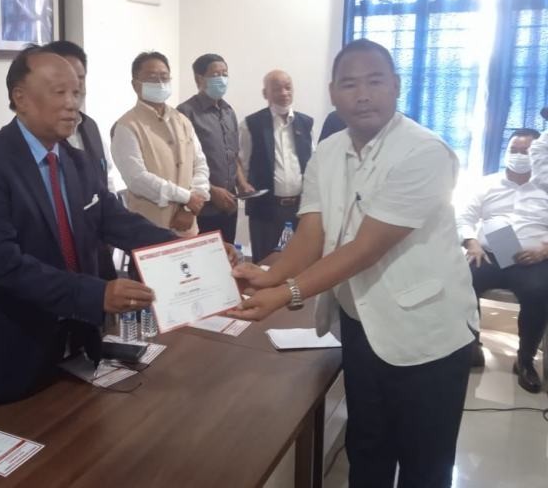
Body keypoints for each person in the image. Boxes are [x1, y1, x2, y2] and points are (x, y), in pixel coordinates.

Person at [230, 39, 478, 487]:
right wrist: (268, 274)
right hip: (362, 323)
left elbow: (366, 248)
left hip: (427, 334)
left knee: (425, 462)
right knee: (367, 448)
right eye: (350, 84)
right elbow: (312, 233)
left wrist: (283, 293)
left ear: (396, 86)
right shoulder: (328, 151)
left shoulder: (424, 152)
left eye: (375, 81)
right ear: (332, 92)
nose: (363, 94)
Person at [0, 47, 183, 409]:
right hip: (5, 356)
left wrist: (188, 247)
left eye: (77, 92)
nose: (73, 104)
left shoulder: (77, 162)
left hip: (70, 349)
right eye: (60, 93)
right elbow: (4, 264)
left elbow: (116, 221)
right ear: (20, 98)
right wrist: (95, 294)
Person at [456, 128, 548, 392]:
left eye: (526, 151)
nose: (519, 156)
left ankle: (526, 360)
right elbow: (465, 218)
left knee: (539, 292)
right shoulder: (487, 184)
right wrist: (472, 243)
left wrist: (544, 251)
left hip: (534, 259)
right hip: (490, 255)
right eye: (514, 150)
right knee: (462, 279)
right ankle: (472, 345)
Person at [111, 51, 210, 238]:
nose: (160, 83)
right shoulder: (126, 126)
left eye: (164, 77)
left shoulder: (182, 120)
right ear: (135, 84)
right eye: (152, 77)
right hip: (149, 230)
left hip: (187, 228)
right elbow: (137, 179)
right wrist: (186, 197)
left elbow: (200, 165)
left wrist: (189, 209)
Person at [44, 39, 119, 281]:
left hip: (97, 251)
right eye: (61, 85)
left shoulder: (90, 127)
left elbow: (105, 184)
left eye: (79, 80)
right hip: (56, 271)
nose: (73, 93)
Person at [239, 70, 313, 262]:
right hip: (266, 209)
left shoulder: (305, 123)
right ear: (266, 94)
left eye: (288, 87)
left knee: (296, 261)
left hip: (298, 208)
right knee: (265, 262)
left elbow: (312, 163)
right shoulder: (251, 124)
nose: (284, 92)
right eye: (277, 88)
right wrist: (245, 185)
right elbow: (241, 161)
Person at [178, 53, 251, 243]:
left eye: (224, 74)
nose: (222, 79)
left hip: (229, 206)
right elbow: (182, 164)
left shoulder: (228, 112)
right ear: (199, 79)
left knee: (228, 260)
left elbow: (233, 155)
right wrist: (211, 191)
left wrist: (242, 184)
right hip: (202, 208)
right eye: (216, 74)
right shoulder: (185, 113)